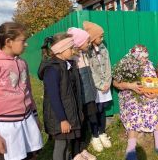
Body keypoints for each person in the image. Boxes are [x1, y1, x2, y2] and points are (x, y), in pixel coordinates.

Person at [0, 22, 43, 160]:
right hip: (5, 128)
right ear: (8, 41)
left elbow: (28, 92)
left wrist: (35, 117)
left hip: (27, 121)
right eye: (23, 41)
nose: (26, 44)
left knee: (31, 156)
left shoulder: (22, 63)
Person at [113, 45, 158, 160]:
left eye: (146, 57)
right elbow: (115, 83)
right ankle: (131, 149)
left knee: (157, 109)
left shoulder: (149, 65)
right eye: (142, 58)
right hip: (131, 95)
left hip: (148, 94)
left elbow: (154, 82)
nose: (145, 60)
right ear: (135, 57)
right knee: (133, 112)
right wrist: (130, 86)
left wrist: (155, 93)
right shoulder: (126, 64)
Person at [38, 33, 85, 160]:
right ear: (60, 50)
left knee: (67, 144)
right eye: (70, 48)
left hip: (69, 114)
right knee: (61, 146)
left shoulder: (67, 66)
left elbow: (72, 93)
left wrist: (77, 112)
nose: (73, 50)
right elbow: (53, 98)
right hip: (60, 117)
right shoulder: (52, 70)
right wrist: (62, 120)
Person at [67, 27, 98, 160]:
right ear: (78, 43)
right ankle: (75, 153)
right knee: (78, 124)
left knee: (86, 123)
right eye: (87, 41)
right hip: (79, 99)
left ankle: (83, 149)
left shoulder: (84, 55)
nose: (89, 44)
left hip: (89, 96)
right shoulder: (72, 59)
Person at [83, 22, 112, 153]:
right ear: (93, 37)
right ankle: (94, 136)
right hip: (96, 86)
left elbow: (108, 65)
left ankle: (102, 133)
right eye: (100, 36)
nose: (102, 38)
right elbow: (91, 70)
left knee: (102, 110)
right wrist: (100, 85)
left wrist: (107, 82)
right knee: (94, 110)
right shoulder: (87, 53)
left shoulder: (104, 49)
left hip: (105, 85)